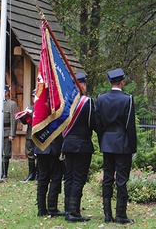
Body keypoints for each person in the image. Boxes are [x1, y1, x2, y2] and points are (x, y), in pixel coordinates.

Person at [96, 68, 137, 224]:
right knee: (121, 180)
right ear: (122, 82)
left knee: (107, 178)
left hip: (107, 142)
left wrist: (103, 141)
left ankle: (107, 215)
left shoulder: (101, 99)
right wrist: (132, 147)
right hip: (122, 143)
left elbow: (98, 124)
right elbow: (130, 126)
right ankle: (120, 214)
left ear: (109, 82)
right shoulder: (127, 99)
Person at [62, 73, 96, 223]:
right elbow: (93, 123)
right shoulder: (86, 102)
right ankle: (74, 213)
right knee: (78, 178)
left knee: (69, 177)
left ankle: (68, 209)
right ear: (81, 85)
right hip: (82, 145)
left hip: (68, 144)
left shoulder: (65, 101)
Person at [35, 134, 65, 217]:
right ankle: (52, 208)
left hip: (41, 146)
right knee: (55, 178)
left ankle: (41, 209)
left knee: (42, 179)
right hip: (53, 147)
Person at [17, 89, 37, 182]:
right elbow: (25, 122)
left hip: (39, 134)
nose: (34, 98)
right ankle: (31, 174)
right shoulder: (29, 107)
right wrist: (22, 117)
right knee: (30, 153)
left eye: (35, 96)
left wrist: (32, 114)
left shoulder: (44, 107)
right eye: (33, 97)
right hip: (30, 133)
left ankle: (39, 174)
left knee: (39, 154)